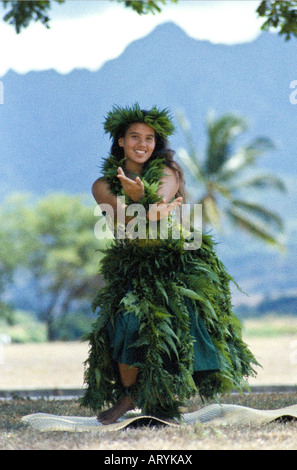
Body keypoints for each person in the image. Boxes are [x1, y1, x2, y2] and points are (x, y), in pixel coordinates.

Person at [81, 103, 259, 424]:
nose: (142, 144)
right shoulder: (103, 185)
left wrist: (144, 201)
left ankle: (152, 401)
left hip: (180, 262)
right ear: (120, 140)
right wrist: (140, 204)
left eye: (150, 138)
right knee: (125, 325)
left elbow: (157, 208)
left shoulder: (168, 172)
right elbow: (127, 223)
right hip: (134, 264)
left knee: (171, 330)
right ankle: (131, 395)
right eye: (134, 136)